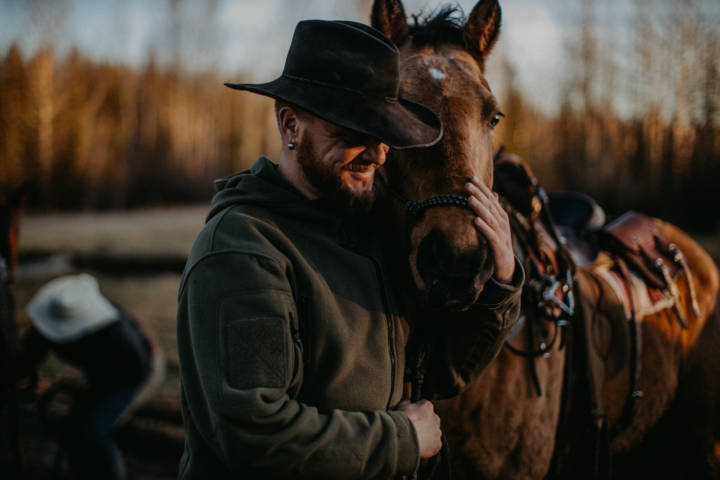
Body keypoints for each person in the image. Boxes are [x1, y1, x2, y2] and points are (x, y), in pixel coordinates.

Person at [176, 20, 522, 479]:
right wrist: (403, 439)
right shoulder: (243, 251)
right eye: (352, 131)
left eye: (385, 134)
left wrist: (500, 286)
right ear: (291, 125)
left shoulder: (370, 235)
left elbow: (431, 372)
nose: (378, 154)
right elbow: (253, 435)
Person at [18, 273, 161, 480]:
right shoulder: (54, 318)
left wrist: (93, 387)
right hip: (103, 371)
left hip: (137, 372)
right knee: (78, 427)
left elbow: (136, 370)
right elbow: (28, 354)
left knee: (91, 429)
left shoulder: (119, 335)